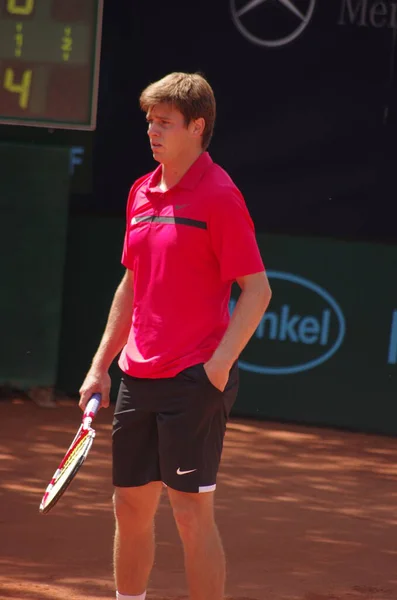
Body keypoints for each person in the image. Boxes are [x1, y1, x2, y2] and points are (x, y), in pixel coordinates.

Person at [79, 72, 272, 600]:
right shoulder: (140, 191)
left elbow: (257, 291)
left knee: (190, 513)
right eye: (149, 121)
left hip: (193, 379)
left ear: (197, 126)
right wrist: (101, 366)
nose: (152, 131)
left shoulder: (220, 197)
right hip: (136, 377)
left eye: (164, 122)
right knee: (130, 507)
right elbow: (132, 283)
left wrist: (219, 366)